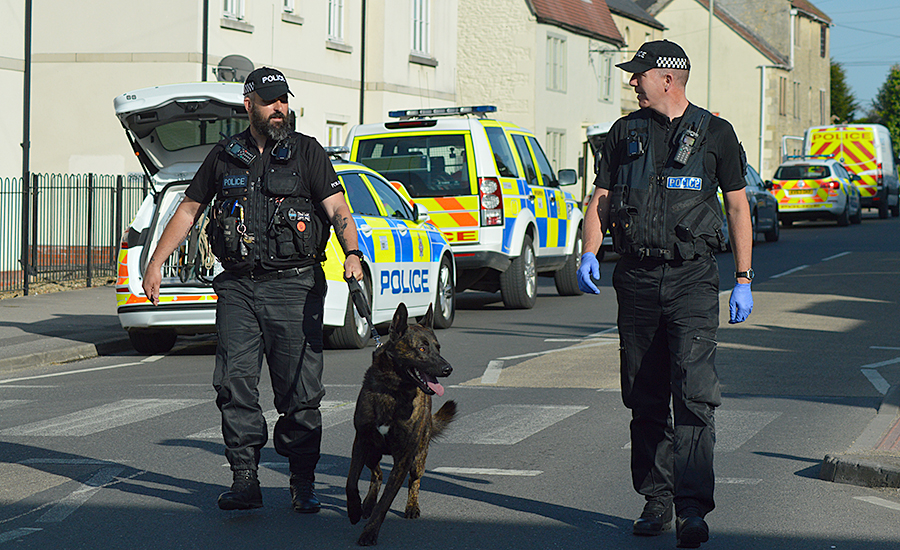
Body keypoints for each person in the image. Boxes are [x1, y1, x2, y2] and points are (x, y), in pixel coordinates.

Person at [142, 67, 364, 514]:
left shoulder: (308, 153)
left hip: (295, 287)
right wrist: (156, 261)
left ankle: (303, 482)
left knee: (300, 392)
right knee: (234, 384)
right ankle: (245, 479)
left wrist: (353, 253)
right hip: (239, 289)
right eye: (270, 101)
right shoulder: (226, 155)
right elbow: (188, 209)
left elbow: (338, 208)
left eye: (284, 100)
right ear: (249, 106)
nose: (280, 108)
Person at [577, 41, 753, 549]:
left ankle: (692, 508)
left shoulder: (716, 133)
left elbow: (738, 208)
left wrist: (743, 277)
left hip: (692, 279)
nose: (632, 82)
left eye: (639, 74)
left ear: (669, 78)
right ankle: (657, 500)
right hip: (635, 278)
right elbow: (602, 199)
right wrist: (590, 251)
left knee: (694, 392)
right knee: (645, 393)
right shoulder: (622, 133)